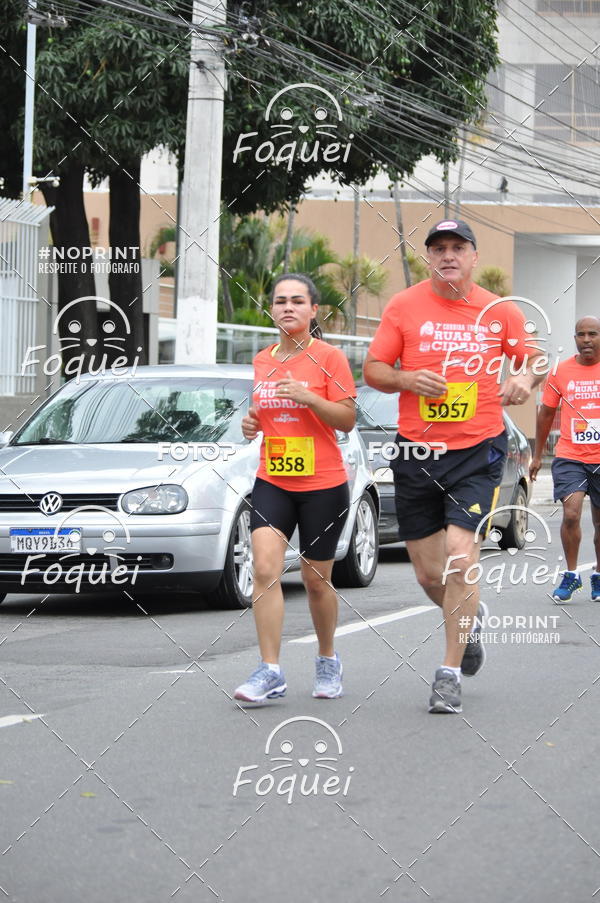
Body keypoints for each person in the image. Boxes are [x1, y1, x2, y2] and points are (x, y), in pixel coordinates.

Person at [363, 219, 546, 714]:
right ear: (429, 258)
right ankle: (471, 615)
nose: (448, 255)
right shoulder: (404, 306)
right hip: (416, 455)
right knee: (428, 577)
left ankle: (447, 672)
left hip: (476, 454)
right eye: (438, 248)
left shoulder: (499, 311)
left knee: (462, 557)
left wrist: (526, 381)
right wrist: (405, 379)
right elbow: (373, 370)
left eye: (457, 248)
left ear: (473, 256)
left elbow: (533, 359)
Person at [234, 273, 357, 703]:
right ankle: (270, 670)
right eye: (280, 301)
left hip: (323, 483)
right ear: (272, 309)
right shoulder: (262, 360)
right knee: (265, 569)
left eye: (297, 301)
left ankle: (327, 659)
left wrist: (311, 399)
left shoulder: (330, 358)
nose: (288, 307)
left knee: (315, 580)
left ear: (312, 310)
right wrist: (251, 424)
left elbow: (346, 419)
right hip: (274, 478)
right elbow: (263, 413)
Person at [530, 316, 600, 602]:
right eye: (580, 334)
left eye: (592, 334)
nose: (586, 339)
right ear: (574, 338)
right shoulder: (560, 371)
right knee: (571, 514)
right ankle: (571, 576)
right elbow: (546, 414)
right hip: (570, 455)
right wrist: (537, 455)